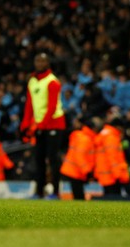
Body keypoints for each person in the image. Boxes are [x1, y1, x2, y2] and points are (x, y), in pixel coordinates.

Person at [21, 52, 66, 199]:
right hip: (40, 125)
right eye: (37, 61)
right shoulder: (32, 81)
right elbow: (29, 104)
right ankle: (39, 192)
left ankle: (56, 192)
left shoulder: (53, 82)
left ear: (48, 64)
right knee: (39, 159)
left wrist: (40, 125)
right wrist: (25, 123)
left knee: (53, 160)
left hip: (54, 124)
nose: (39, 64)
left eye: (42, 61)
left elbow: (52, 107)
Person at [95, 111, 130, 197]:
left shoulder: (105, 134)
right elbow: (112, 157)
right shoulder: (111, 137)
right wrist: (119, 175)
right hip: (112, 176)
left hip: (105, 174)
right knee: (114, 200)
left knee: (108, 200)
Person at [60, 117, 96, 200]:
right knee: (79, 196)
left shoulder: (80, 135)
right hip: (76, 171)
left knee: (78, 195)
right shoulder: (85, 139)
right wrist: (87, 171)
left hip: (72, 169)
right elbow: (80, 157)